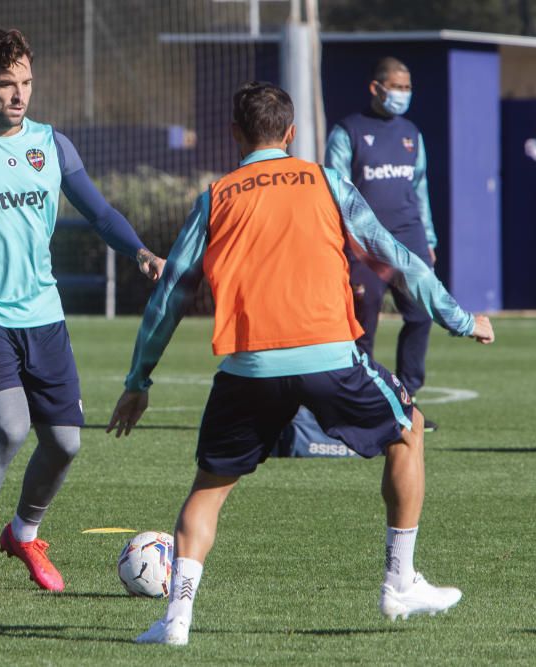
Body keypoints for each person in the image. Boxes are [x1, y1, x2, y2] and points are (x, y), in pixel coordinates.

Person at [108, 82, 494, 646]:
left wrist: (138, 381)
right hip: (329, 357)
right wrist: (460, 318)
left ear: (235, 135)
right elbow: (398, 258)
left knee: (208, 490)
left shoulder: (217, 196)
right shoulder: (326, 182)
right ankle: (399, 581)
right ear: (290, 133)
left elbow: (170, 294)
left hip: (249, 368)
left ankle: (176, 622)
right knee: (408, 430)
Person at [0, 28, 165, 600]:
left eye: (26, 82)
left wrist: (141, 252)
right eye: (6, 84)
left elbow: (98, 211)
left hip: (43, 313)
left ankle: (23, 533)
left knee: (67, 443)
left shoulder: (52, 144)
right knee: (8, 426)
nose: (18, 95)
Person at [326, 57, 441, 431]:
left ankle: (407, 400)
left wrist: (429, 239)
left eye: (407, 88)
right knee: (364, 319)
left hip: (410, 238)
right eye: (396, 87)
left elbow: (419, 188)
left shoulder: (411, 133)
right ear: (376, 88)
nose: (402, 95)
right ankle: (360, 401)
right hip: (364, 245)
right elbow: (336, 191)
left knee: (422, 314)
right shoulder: (348, 131)